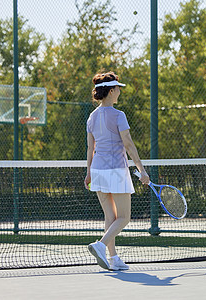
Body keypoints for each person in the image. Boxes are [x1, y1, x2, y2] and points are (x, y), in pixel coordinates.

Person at [84, 71, 150, 271]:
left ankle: (113, 259)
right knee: (124, 217)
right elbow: (128, 145)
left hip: (97, 171)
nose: (120, 91)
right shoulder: (119, 115)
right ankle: (101, 245)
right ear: (111, 91)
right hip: (115, 171)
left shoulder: (92, 117)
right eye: (118, 88)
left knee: (110, 218)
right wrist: (142, 170)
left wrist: (88, 173)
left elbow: (90, 148)